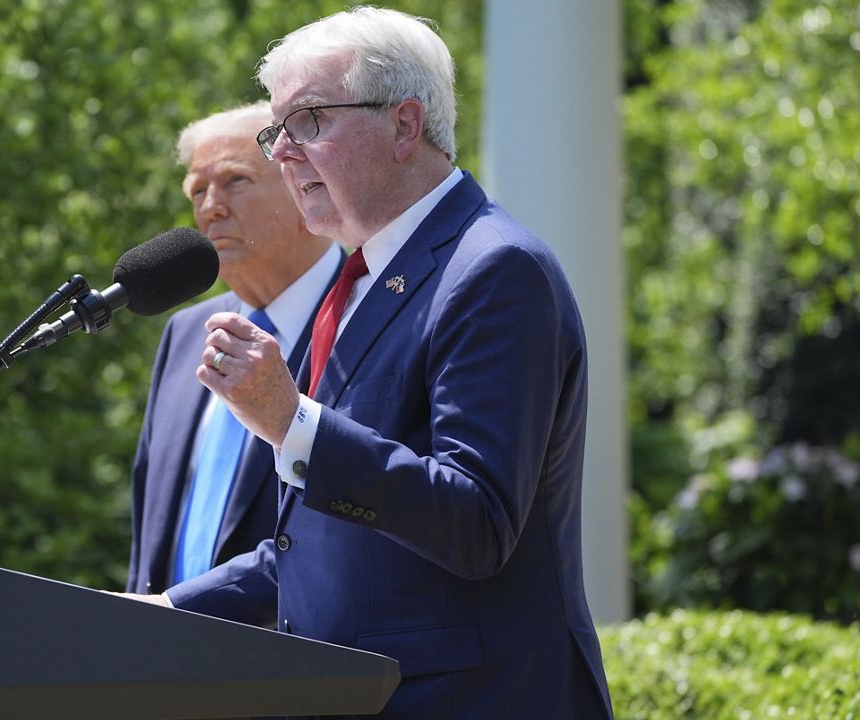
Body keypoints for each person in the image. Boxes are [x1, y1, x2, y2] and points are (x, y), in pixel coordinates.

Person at [148, 7, 613, 718]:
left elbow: (476, 520)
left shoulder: (495, 269)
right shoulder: (358, 280)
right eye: (278, 131)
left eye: (309, 122)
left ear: (404, 125)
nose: (283, 154)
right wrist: (164, 606)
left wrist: (290, 422)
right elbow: (319, 544)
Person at [124, 101, 343, 597]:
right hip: (162, 658)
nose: (210, 208)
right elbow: (151, 530)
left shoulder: (368, 314)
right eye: (198, 190)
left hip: (297, 664)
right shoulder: (186, 332)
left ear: (303, 182)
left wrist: (179, 608)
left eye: (235, 181)